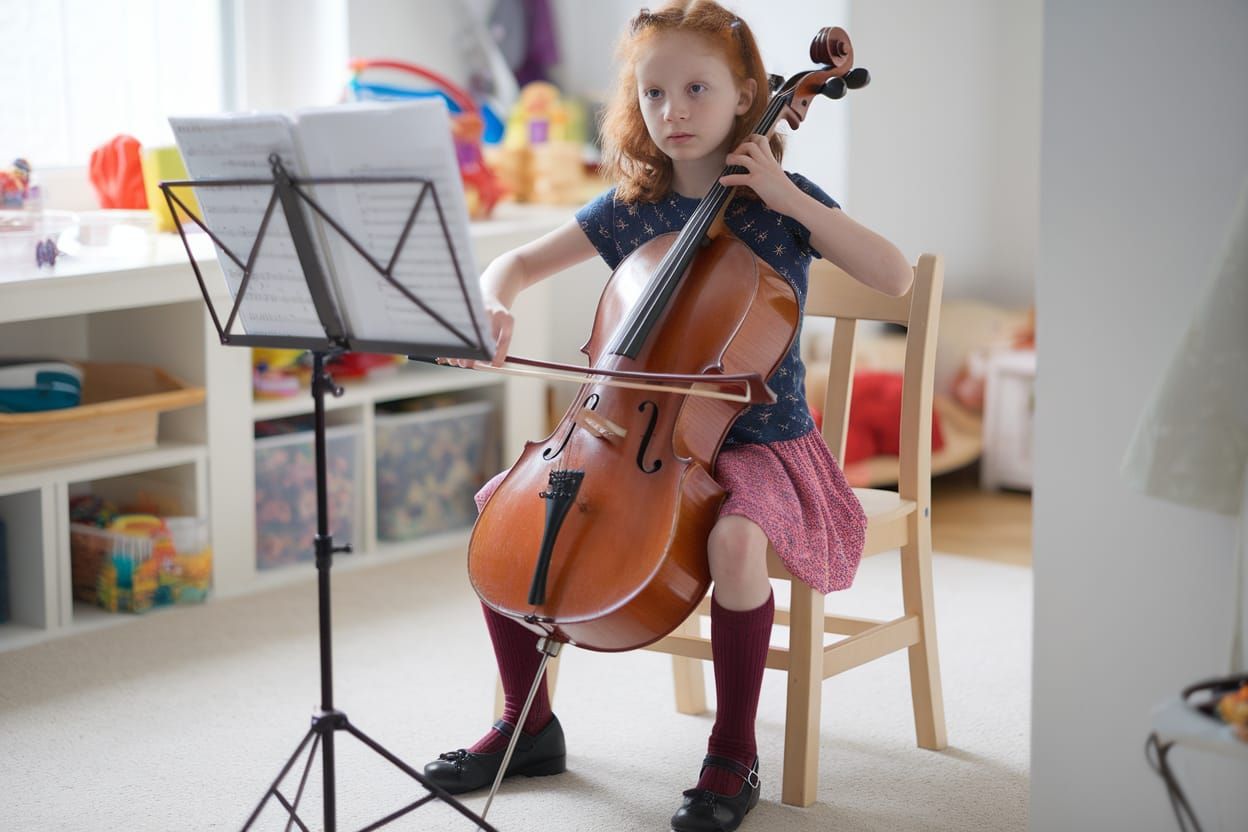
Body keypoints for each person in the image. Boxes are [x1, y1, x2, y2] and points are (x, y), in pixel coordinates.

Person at [424, 2, 913, 830]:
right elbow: (513, 264)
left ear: (747, 95)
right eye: (653, 93)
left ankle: (732, 750)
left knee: (735, 540)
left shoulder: (779, 203)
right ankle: (526, 723)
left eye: (696, 89)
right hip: (631, 436)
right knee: (502, 511)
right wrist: (492, 301)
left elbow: (895, 275)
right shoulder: (631, 206)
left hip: (765, 445)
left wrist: (790, 197)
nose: (673, 111)